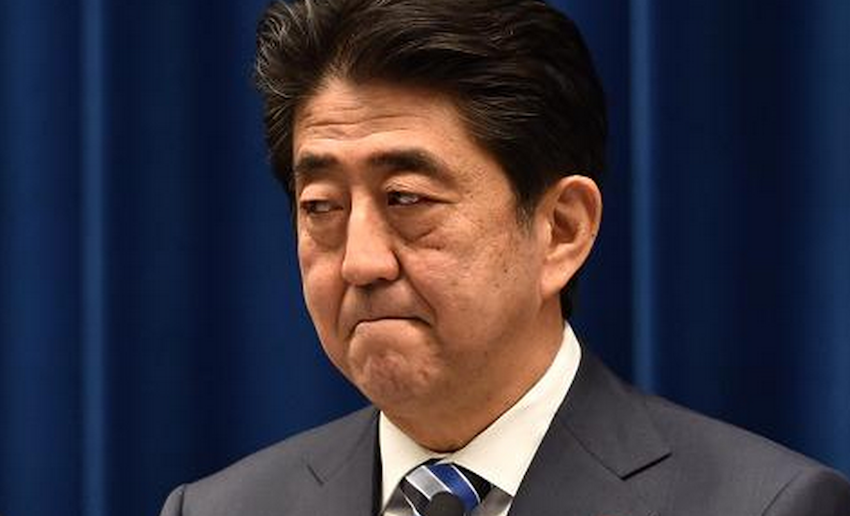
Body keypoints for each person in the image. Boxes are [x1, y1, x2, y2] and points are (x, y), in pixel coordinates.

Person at [160, 0, 850, 514]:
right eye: (322, 207)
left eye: (406, 198)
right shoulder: (219, 509)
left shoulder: (765, 506)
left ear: (561, 229)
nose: (360, 263)